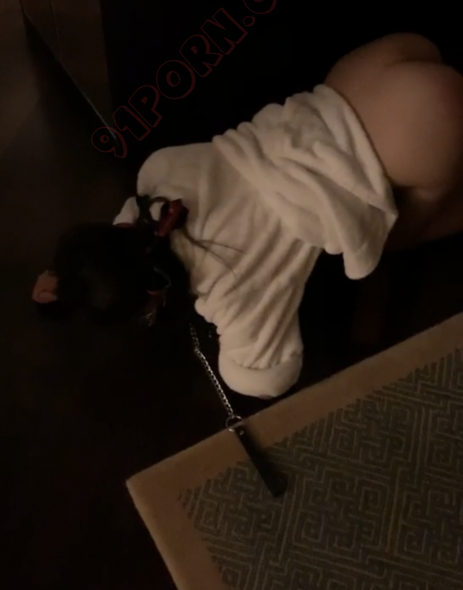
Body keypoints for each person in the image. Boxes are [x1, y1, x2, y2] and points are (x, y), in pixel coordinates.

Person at [32, 33, 463, 399]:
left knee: (395, 238)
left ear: (148, 299)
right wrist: (70, 275)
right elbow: (127, 225)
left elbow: (264, 377)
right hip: (363, 75)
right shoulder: (160, 172)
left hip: (421, 131)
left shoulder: (228, 288)